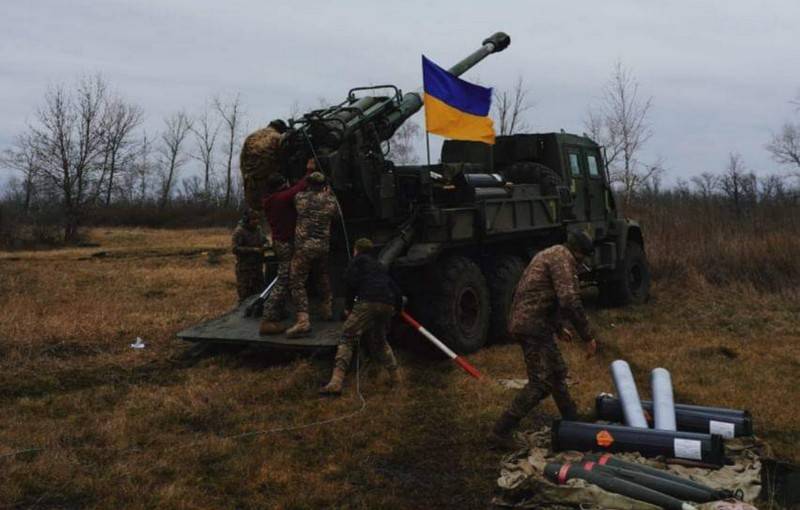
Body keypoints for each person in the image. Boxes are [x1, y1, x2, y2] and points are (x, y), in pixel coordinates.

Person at [488, 230, 599, 449]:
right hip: (532, 326)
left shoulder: (552, 254)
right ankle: (501, 431)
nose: (583, 262)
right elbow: (569, 300)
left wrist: (557, 327)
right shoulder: (563, 259)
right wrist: (587, 336)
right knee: (541, 382)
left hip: (535, 323)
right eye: (583, 257)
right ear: (578, 252)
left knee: (557, 372)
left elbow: (541, 293)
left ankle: (572, 420)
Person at [320, 238, 403, 396]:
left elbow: (350, 284)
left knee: (347, 336)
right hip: (387, 303)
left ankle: (336, 382)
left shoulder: (356, 262)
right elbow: (395, 289)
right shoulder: (378, 265)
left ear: (356, 249)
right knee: (381, 341)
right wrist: (396, 309)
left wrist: (348, 308)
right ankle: (396, 378)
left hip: (367, 302)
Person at [258, 159, 314, 335]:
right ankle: (268, 318)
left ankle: (277, 311)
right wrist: (310, 171)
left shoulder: (269, 199)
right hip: (285, 243)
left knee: (285, 277)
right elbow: (298, 188)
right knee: (283, 279)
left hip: (279, 242)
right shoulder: (281, 199)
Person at [285, 170, 338, 338]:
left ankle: (303, 321)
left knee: (297, 281)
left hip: (304, 248)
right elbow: (336, 215)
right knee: (322, 276)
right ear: (323, 186)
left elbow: (294, 199)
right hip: (323, 247)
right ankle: (327, 309)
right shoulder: (330, 201)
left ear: (309, 184)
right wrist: (328, 195)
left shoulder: (300, 198)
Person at [239, 119, 288, 211]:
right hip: (268, 183)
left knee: (256, 213)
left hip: (250, 183)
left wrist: (246, 178)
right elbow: (284, 161)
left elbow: (242, 159)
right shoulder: (277, 137)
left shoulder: (251, 137)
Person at [231, 209, 267, 303]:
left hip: (257, 267)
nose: (256, 221)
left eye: (257, 219)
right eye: (253, 219)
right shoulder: (239, 231)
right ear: (247, 220)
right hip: (245, 268)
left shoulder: (258, 229)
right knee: (244, 295)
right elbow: (234, 249)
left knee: (260, 293)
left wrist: (266, 246)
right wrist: (253, 250)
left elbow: (265, 240)